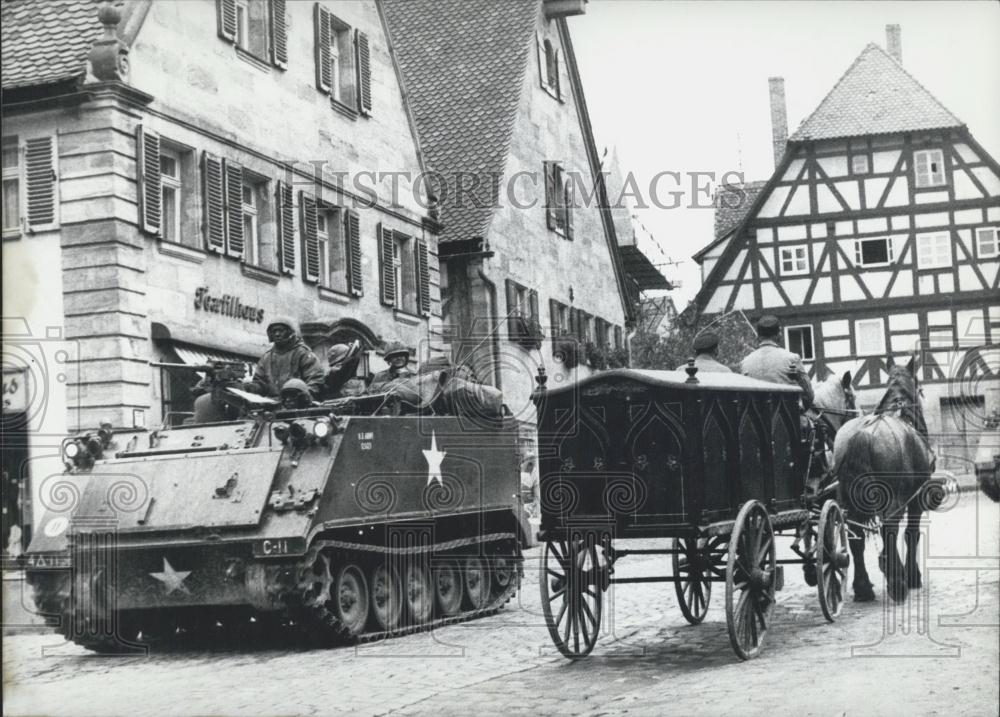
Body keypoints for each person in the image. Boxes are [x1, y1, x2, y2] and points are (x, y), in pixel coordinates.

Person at [740, 315, 813, 407]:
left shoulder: (745, 362)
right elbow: (808, 394)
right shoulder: (792, 358)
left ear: (758, 337)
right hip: (789, 417)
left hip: (757, 418)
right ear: (778, 335)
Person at [245, 317, 326, 401]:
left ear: (289, 332)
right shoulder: (266, 357)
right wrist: (251, 387)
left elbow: (315, 380)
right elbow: (261, 383)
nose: (277, 334)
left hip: (295, 404)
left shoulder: (303, 354)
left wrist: (303, 397)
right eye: (274, 331)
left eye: (281, 330)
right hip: (272, 403)